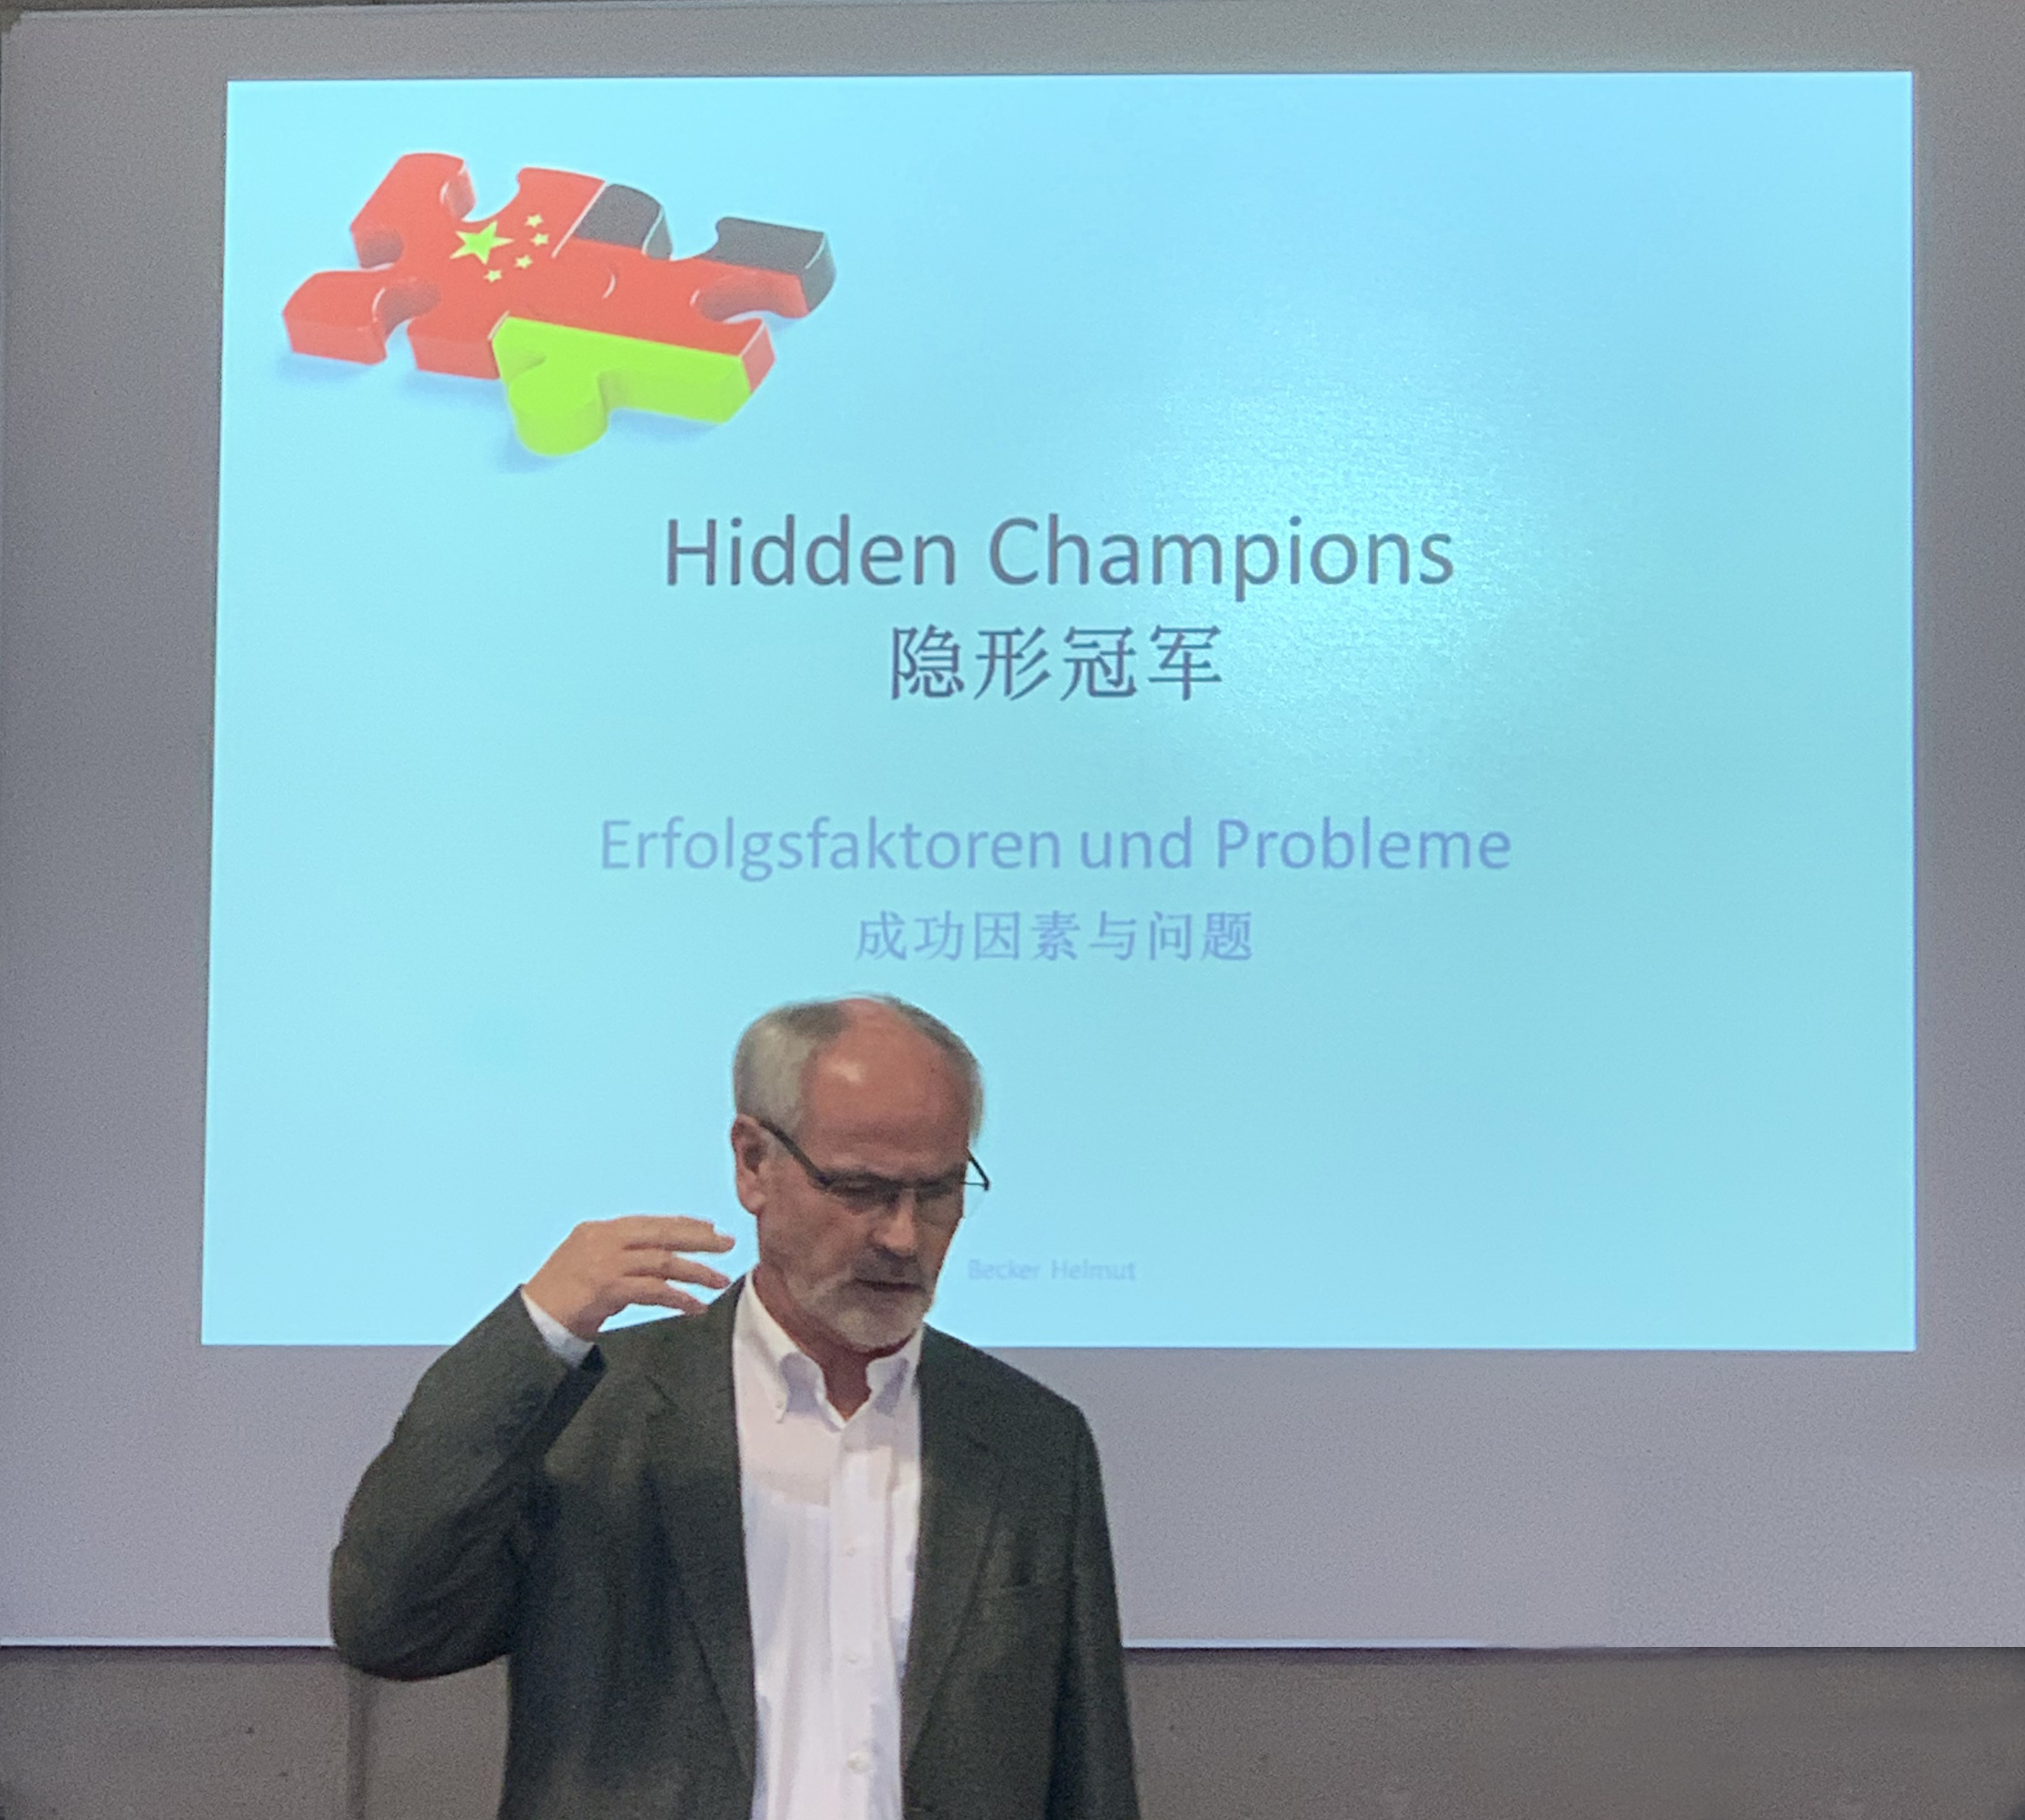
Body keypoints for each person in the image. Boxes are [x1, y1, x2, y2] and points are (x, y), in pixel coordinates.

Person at [331, 994, 1139, 1820]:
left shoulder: (1031, 1440)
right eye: (860, 1188)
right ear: (753, 1162)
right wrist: (537, 1333)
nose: (903, 1236)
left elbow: (1088, 1774)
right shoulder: (602, 1411)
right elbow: (391, 1624)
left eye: (936, 1191)